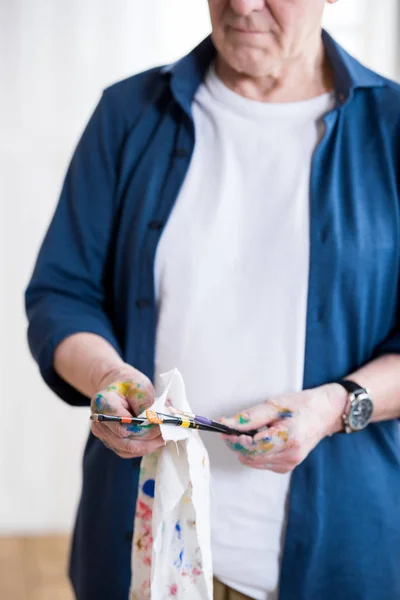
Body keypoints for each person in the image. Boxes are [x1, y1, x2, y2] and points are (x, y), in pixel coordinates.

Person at [25, 0, 400, 598]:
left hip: (344, 560)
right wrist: (107, 374)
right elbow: (61, 294)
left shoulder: (393, 129)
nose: (245, 5)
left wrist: (335, 406)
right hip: (137, 553)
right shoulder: (128, 112)